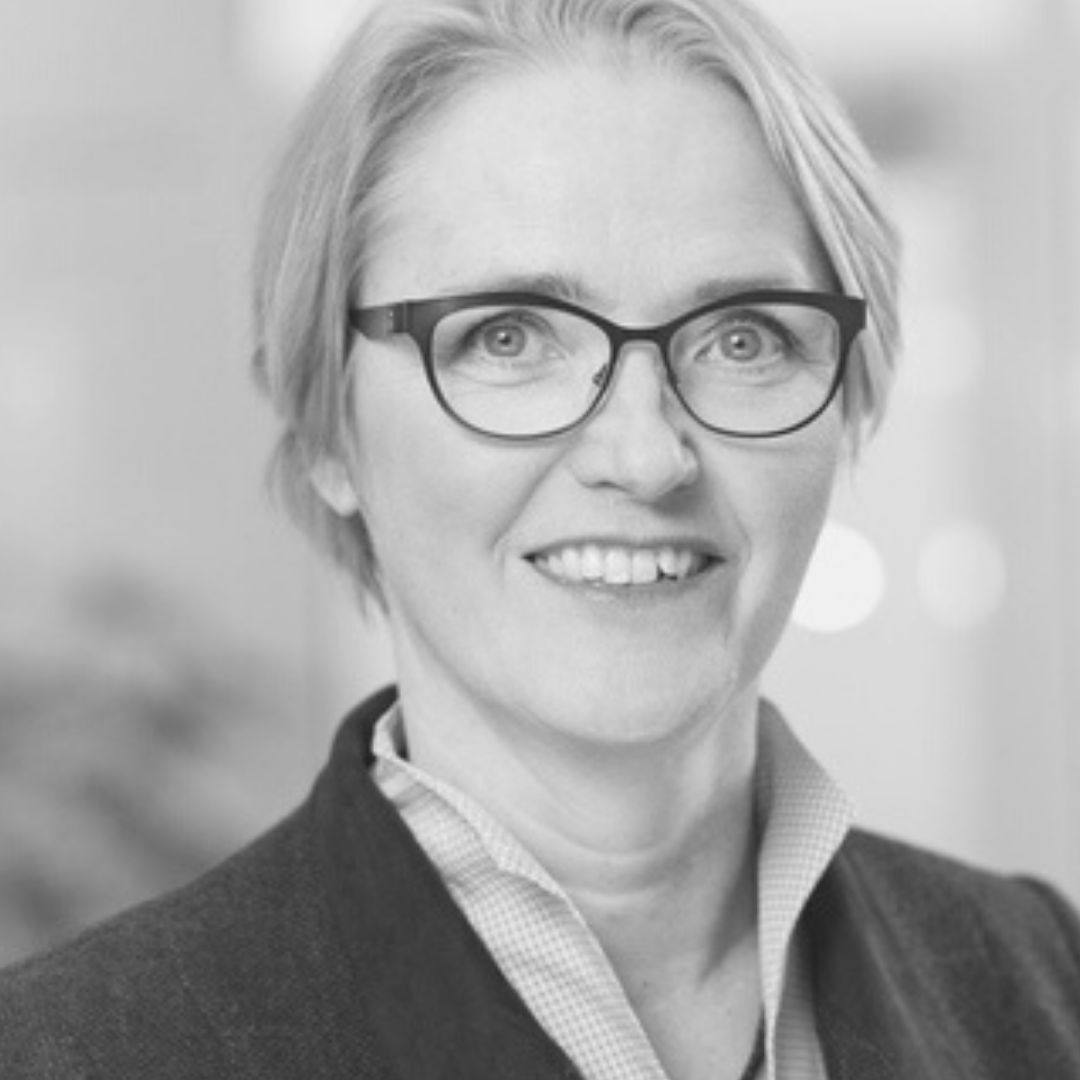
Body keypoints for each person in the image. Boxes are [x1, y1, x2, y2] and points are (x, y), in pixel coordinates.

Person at [1, 0, 1078, 1076]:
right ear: (330, 430)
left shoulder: (1045, 985)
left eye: (742, 338)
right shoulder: (71, 1054)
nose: (645, 456)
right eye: (508, 338)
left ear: (849, 399)